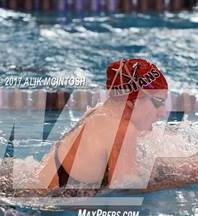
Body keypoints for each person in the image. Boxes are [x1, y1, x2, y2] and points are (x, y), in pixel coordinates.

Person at [38, 58, 171, 190]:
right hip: (46, 206)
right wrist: (183, 181)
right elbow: (124, 193)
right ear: (132, 101)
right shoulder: (123, 130)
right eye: (158, 102)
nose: (163, 112)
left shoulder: (98, 112)